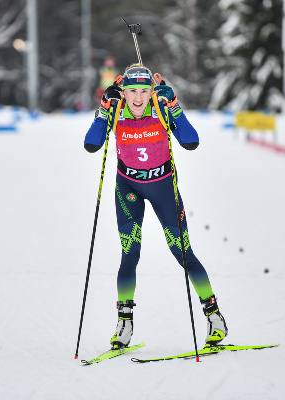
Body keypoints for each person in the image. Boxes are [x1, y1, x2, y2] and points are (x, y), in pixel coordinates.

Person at [83, 64, 228, 350]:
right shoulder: (115, 110)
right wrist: (102, 111)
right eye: (132, 91)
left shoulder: (161, 110)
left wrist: (174, 107)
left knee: (183, 253)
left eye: (144, 91)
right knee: (129, 253)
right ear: (123, 91)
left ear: (152, 91)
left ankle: (214, 317)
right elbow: (91, 145)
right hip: (128, 189)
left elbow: (191, 142)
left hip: (163, 188)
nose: (138, 98)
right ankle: (124, 324)